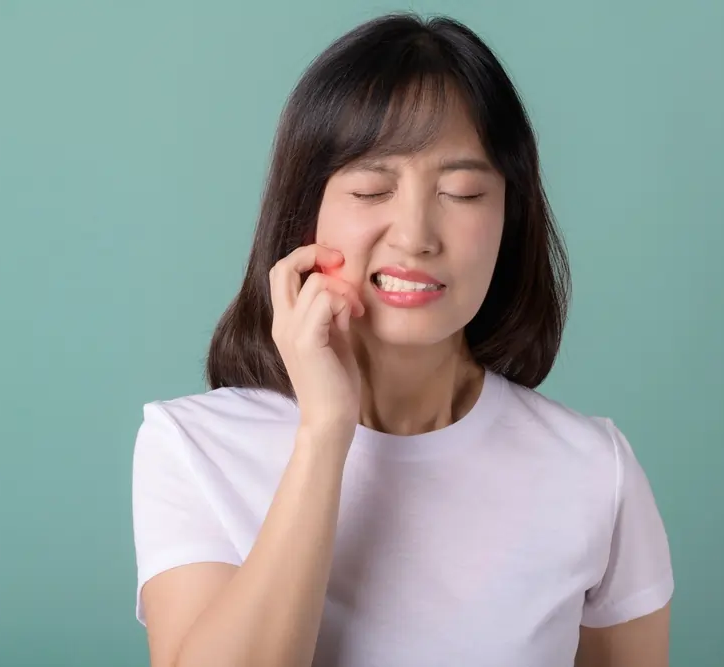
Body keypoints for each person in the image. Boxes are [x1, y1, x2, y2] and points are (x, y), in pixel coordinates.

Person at [131, 12, 674, 667]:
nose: (416, 233)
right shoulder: (191, 448)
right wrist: (325, 432)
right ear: (306, 213)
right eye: (371, 187)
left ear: (511, 218)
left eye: (462, 191)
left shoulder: (595, 470)